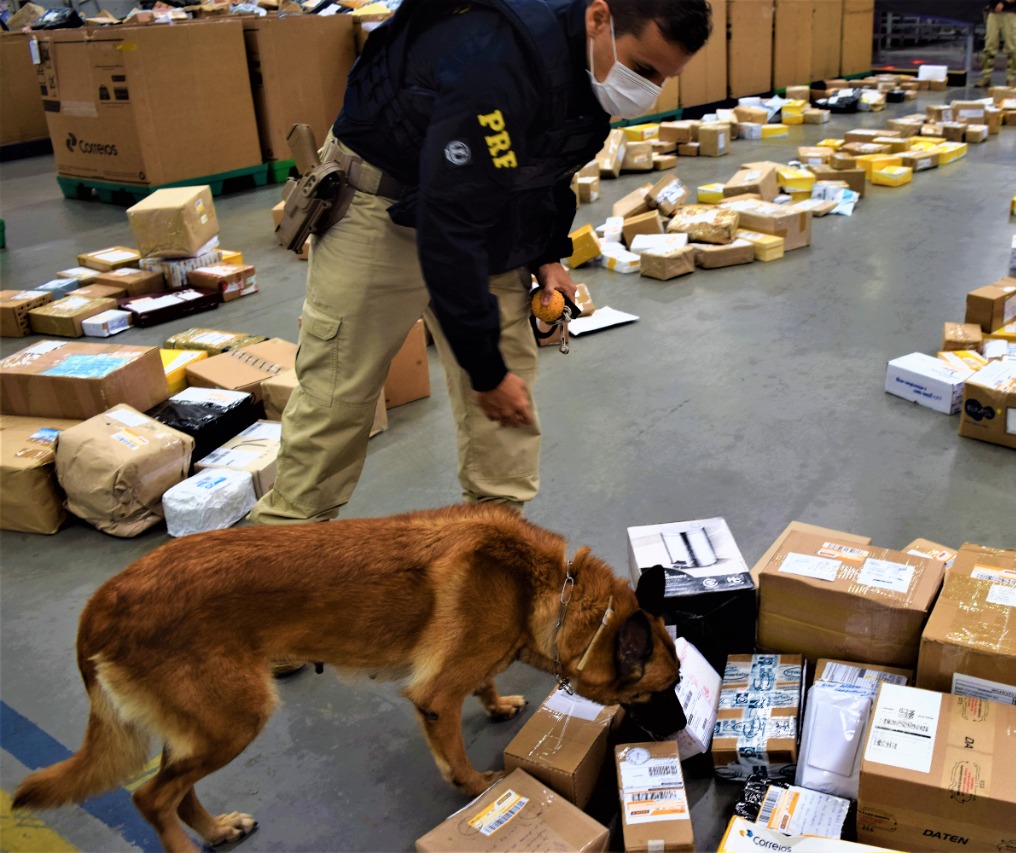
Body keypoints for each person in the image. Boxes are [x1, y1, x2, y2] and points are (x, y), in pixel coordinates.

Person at [249, 0, 712, 525]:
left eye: (664, 77)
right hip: (380, 203)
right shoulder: (494, 59)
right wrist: (484, 372)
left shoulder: (585, 59)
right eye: (644, 68)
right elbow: (450, 229)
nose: (650, 89)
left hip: (479, 203)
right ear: (599, 19)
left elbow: (542, 165)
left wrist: (547, 254)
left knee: (510, 397)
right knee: (338, 396)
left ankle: (496, 540)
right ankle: (284, 544)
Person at [979, 0, 1016, 87]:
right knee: (989, 47)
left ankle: (1011, 78)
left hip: (1010, 13)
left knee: (1012, 48)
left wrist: (1003, 2)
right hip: (993, 13)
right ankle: (986, 77)